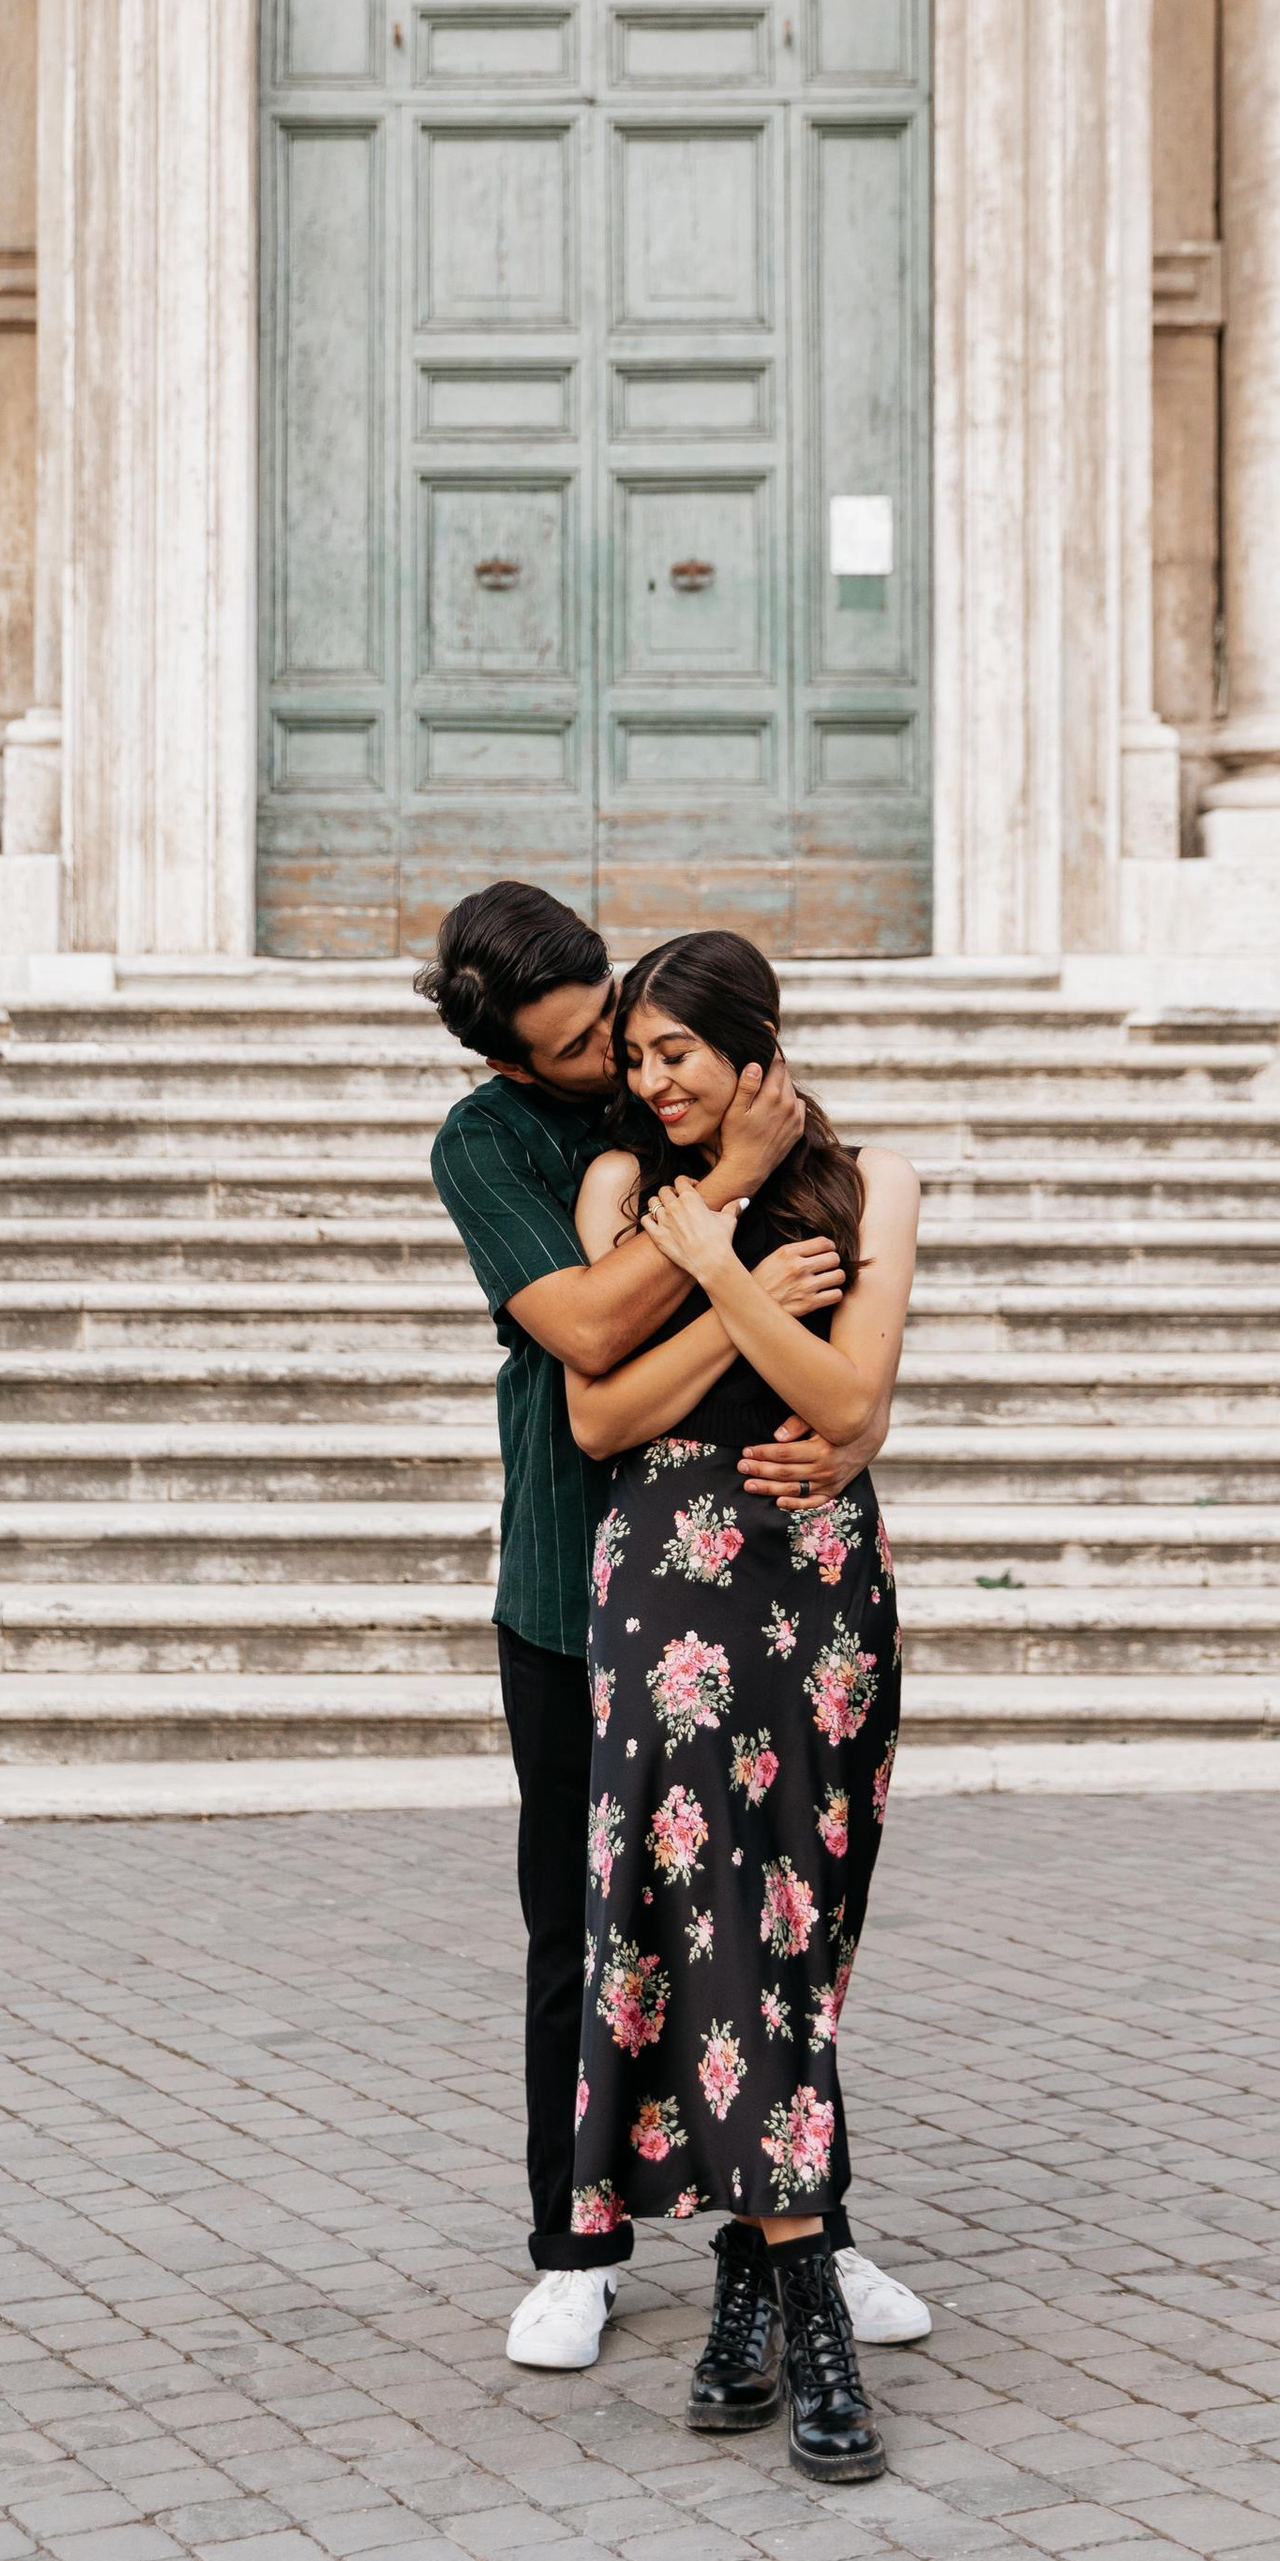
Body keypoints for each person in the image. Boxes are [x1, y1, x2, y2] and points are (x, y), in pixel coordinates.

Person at [421, 882, 933, 2376]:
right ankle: (576, 2249)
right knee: (584, 1929)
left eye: (630, 1036)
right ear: (517, 1058)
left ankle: (794, 2238)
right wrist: (721, 1237)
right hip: (583, 1580)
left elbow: (851, 1372)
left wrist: (856, 1422)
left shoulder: (732, 1117)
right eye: (588, 1048)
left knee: (780, 1915)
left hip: (787, 1584)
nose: (618, 1068)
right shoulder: (500, 1142)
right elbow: (585, 1342)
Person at [555, 932, 920, 2480]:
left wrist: (727, 1283)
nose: (652, 1083)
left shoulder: (877, 1181)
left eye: (676, 1055)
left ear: (753, 1042)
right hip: (670, 1582)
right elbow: (600, 1414)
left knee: (798, 1926)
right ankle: (806, 2289)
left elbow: (848, 1404)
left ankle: (750, 2287)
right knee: (719, 1914)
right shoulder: (621, 1193)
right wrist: (719, 1274)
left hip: (823, 1586)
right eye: (634, 1060)